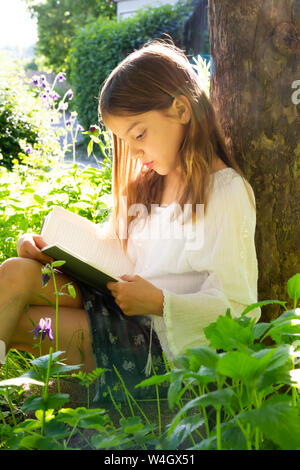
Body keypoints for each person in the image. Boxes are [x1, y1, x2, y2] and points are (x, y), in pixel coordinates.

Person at [0, 40, 260, 402]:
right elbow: (117, 250)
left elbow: (240, 310)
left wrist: (160, 302)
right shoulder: (150, 183)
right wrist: (50, 249)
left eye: (139, 134)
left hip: (156, 343)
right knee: (14, 272)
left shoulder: (225, 194)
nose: (135, 153)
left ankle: (69, 388)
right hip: (115, 304)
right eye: (125, 141)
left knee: (22, 321)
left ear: (182, 109)